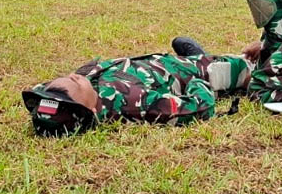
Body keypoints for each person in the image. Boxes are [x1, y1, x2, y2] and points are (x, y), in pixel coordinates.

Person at [21, 43, 252, 137]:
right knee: (249, 68)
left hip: (152, 61)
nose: (74, 77)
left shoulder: (65, 94)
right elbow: (200, 107)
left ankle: (194, 54)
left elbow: (44, 97)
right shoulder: (135, 104)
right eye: (74, 84)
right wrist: (198, 82)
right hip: (186, 72)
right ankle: (201, 60)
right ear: (91, 110)